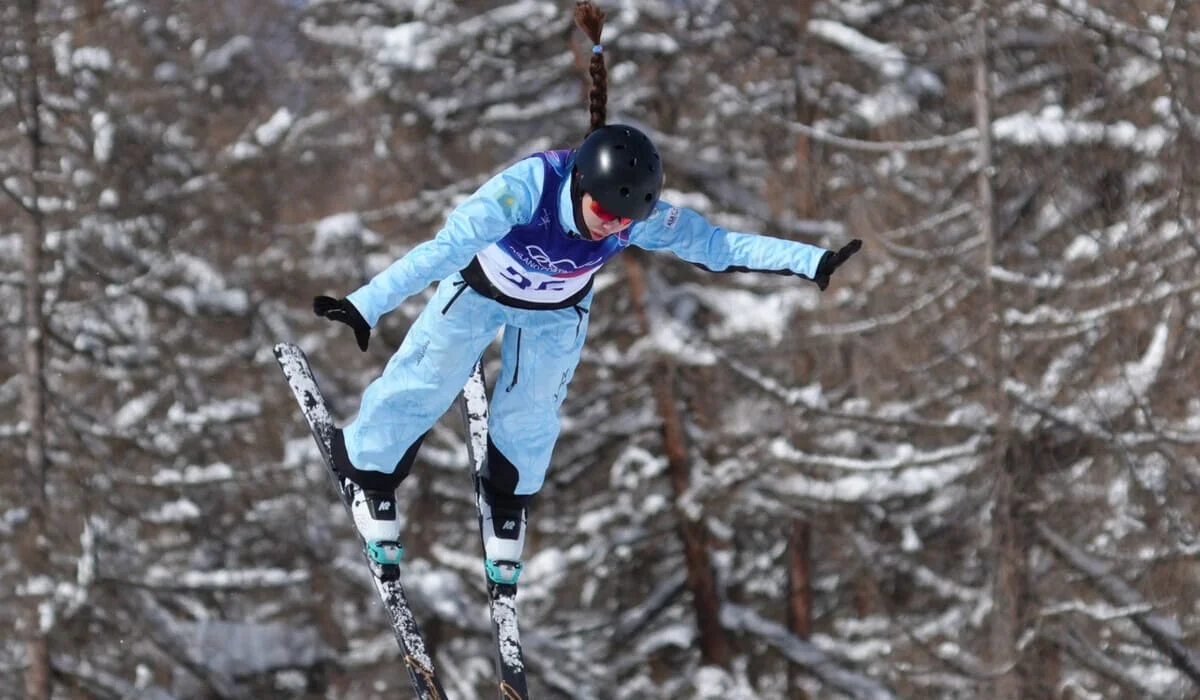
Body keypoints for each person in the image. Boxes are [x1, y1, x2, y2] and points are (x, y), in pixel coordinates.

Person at [312, 2, 861, 582]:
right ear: (582, 184)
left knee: (533, 413)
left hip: (558, 311)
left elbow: (718, 247)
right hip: (479, 288)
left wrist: (810, 261)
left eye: (624, 223)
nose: (611, 227)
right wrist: (366, 302)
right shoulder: (524, 190)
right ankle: (368, 471)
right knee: (428, 377)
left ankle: (506, 502)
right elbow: (444, 249)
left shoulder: (633, 214)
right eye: (603, 212)